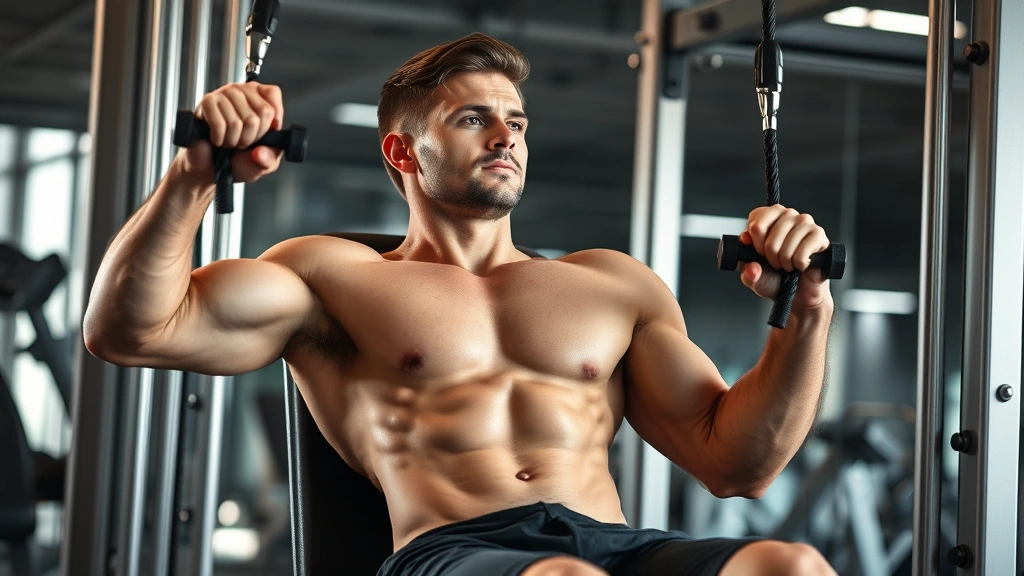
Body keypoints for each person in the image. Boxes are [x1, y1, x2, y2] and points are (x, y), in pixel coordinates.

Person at [84, 33, 837, 576]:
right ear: (403, 153)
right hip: (452, 551)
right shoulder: (330, 276)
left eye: (517, 122)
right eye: (474, 118)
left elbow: (740, 464)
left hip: (614, 546)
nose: (506, 135)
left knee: (790, 564)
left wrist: (807, 312)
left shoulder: (611, 285)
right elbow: (130, 329)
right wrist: (192, 179)